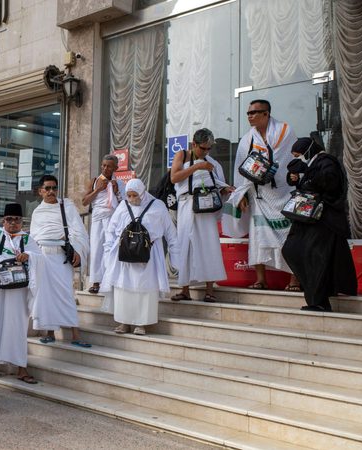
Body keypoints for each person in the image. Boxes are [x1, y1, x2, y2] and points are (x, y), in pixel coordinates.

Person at [229, 99, 300, 291]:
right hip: (259, 196)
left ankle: (294, 279)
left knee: (289, 237)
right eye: (248, 113)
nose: (250, 116)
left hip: (284, 192)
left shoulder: (286, 132)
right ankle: (261, 279)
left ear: (266, 114)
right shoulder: (247, 139)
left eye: (254, 112)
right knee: (258, 237)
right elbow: (240, 168)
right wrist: (241, 194)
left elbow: (292, 159)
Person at [281, 137, 357, 312]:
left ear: (308, 151)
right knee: (293, 250)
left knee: (316, 259)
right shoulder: (315, 163)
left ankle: (319, 301)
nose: (299, 158)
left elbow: (329, 182)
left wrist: (307, 177)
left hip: (323, 220)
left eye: (299, 155)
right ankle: (318, 297)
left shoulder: (327, 161)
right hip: (309, 220)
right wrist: (296, 178)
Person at [101, 179, 179, 335]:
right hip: (125, 254)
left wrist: (175, 256)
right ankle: (124, 322)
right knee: (124, 289)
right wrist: (109, 249)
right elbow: (111, 229)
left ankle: (141, 324)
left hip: (149, 255)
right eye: (128, 196)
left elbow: (170, 232)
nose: (131, 199)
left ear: (142, 193)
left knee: (145, 289)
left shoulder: (158, 206)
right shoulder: (123, 206)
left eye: (134, 195)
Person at [170, 129, 233, 302]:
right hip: (187, 205)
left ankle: (210, 291)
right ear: (194, 144)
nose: (206, 152)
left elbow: (216, 182)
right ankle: (185, 290)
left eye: (209, 149)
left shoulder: (211, 162)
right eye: (203, 148)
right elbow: (174, 178)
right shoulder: (182, 155)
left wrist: (224, 188)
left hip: (206, 206)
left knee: (209, 245)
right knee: (185, 245)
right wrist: (197, 165)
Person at [29, 175, 91, 348]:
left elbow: (78, 230)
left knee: (66, 295)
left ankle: (75, 334)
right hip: (43, 258)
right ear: (40, 191)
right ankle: (50, 333)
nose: (51, 192)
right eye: (47, 188)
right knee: (46, 296)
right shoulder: (37, 212)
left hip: (61, 257)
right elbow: (33, 238)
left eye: (54, 188)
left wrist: (78, 250)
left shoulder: (67, 206)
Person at [0, 203, 41, 384]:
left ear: (21, 221)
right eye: (9, 219)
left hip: (18, 290)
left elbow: (38, 257)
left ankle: (21, 368)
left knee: (18, 327)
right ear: (4, 220)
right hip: (0, 287)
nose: (13, 223)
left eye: (17, 219)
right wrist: (11, 260)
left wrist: (28, 256)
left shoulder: (26, 238)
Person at [82, 154, 125, 294]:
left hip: (113, 219)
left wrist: (117, 192)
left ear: (115, 168)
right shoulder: (94, 181)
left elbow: (124, 204)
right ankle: (95, 282)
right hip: (98, 219)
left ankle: (110, 280)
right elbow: (84, 201)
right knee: (96, 250)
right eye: (103, 165)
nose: (105, 168)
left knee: (112, 249)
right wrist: (97, 189)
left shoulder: (120, 184)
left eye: (109, 166)